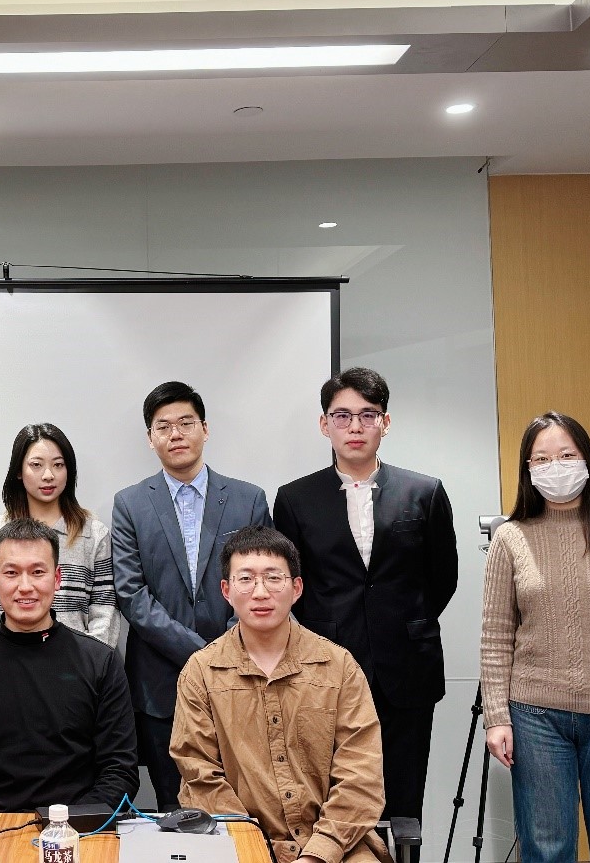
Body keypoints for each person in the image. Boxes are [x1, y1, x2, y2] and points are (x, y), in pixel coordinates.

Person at [273, 367, 456, 837]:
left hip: (407, 669)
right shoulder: (294, 499)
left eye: (368, 415)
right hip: (325, 669)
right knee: (331, 802)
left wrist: (401, 623)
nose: (355, 427)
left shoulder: (425, 491)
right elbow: (293, 586)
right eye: (342, 416)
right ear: (325, 424)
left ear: (385, 422)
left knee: (403, 806)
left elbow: (442, 579)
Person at [171, 525, 389, 863]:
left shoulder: (338, 667)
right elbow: (200, 778)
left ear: (296, 588)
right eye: (246, 579)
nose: (260, 593)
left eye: (274, 578)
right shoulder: (201, 672)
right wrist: (252, 849)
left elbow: (361, 776)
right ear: (226, 590)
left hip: (338, 847)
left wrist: (317, 854)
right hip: (241, 848)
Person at [480, 411, 590, 862]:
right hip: (534, 716)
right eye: (542, 459)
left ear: (587, 460)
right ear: (528, 470)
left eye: (567, 456)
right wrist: (496, 717)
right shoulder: (510, 538)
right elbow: (496, 635)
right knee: (545, 850)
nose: (556, 467)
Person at [112, 381, 271, 810]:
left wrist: (227, 651)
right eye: (163, 426)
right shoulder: (129, 504)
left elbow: (262, 583)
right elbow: (131, 594)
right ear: (150, 438)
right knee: (173, 805)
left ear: (205, 428)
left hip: (242, 676)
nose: (176, 434)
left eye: (186, 423)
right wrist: (203, 655)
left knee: (245, 803)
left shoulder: (248, 499)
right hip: (160, 683)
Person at [0, 518, 138, 811]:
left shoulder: (100, 662)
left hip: (78, 828)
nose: (25, 587)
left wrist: (64, 826)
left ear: (57, 578)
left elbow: (120, 771)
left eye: (38, 572)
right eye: (12, 573)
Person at [0, 423, 119, 646]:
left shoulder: (93, 533)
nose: (48, 475)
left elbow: (104, 608)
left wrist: (92, 658)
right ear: (18, 471)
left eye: (58, 465)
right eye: (36, 465)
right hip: (9, 659)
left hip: (78, 661)